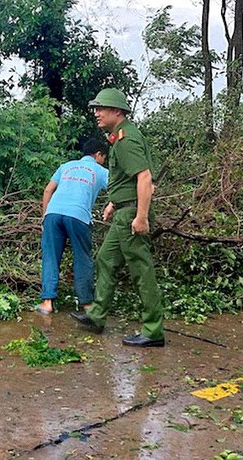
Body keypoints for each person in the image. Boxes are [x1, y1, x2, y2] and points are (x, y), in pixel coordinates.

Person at [70, 88, 165, 348]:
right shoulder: (120, 137)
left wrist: (141, 216)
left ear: (116, 111)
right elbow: (127, 178)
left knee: (141, 269)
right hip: (124, 210)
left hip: (132, 214)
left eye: (101, 108)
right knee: (106, 258)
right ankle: (97, 315)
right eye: (95, 108)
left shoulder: (126, 140)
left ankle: (153, 330)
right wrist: (114, 202)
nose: (96, 113)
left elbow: (144, 177)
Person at [35, 138, 109, 315]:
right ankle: (86, 304)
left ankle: (47, 303)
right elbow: (117, 190)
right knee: (82, 257)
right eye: (104, 157)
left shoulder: (66, 166)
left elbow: (48, 190)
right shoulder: (101, 171)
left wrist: (44, 217)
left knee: (50, 256)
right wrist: (111, 205)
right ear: (99, 155)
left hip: (53, 213)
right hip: (78, 215)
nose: (104, 161)